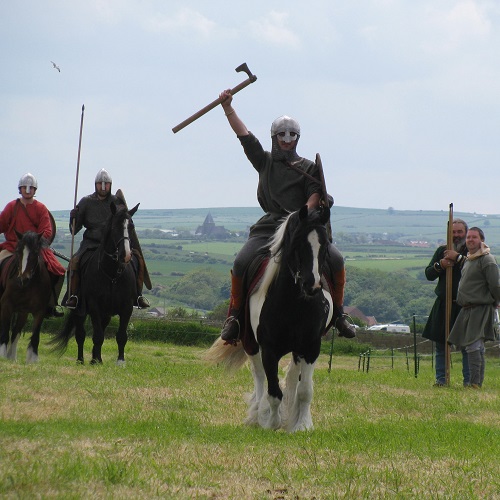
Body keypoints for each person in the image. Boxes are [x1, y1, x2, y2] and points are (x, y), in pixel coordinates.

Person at [217, 89, 356, 342]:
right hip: (269, 229)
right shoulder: (265, 161)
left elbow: (314, 196)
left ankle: (338, 314)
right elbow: (244, 136)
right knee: (240, 262)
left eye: (292, 135)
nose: (287, 139)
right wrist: (228, 107)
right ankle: (235, 317)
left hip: (301, 227)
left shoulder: (309, 168)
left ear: (298, 138)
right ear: (275, 137)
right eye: (282, 135)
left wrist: (305, 212)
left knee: (336, 260)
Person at [64, 169, 150, 310]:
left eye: (106, 184)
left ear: (110, 185)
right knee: (74, 262)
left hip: (113, 245)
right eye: (100, 184)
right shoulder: (86, 201)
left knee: (137, 260)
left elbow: (124, 222)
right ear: (95, 184)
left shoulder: (117, 202)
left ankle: (137, 296)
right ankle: (74, 295)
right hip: (91, 243)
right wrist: (73, 217)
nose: (103, 187)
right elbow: (74, 230)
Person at [0, 173, 65, 317]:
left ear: (35, 190)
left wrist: (35, 242)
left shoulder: (41, 208)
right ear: (20, 189)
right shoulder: (12, 206)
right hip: (13, 247)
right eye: (25, 187)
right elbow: (1, 224)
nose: (27, 190)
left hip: (35, 249)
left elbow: (47, 231)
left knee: (58, 271)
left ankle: (50, 305)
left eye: (31, 188)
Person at [448, 227, 500, 388]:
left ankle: (474, 383)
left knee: (473, 345)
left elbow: (495, 285)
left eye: (474, 237)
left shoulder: (487, 260)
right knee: (475, 346)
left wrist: (497, 301)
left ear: (481, 240)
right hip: (468, 309)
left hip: (480, 308)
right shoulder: (471, 259)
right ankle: (476, 382)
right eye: (469, 237)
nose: (470, 240)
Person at [422, 219, 470, 386]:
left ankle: (469, 382)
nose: (456, 236)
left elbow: (475, 269)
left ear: (466, 233)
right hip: (444, 303)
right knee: (441, 346)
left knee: (467, 346)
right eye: (453, 232)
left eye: (459, 232)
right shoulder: (442, 251)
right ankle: (441, 380)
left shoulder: (472, 252)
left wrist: (457, 258)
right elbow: (429, 274)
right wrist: (440, 264)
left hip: (465, 306)